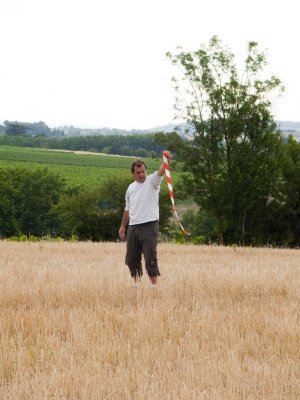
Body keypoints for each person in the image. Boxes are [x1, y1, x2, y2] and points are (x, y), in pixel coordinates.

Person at [119, 151, 172, 286]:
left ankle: (153, 286)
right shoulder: (130, 188)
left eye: (143, 171)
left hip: (149, 225)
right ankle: (136, 284)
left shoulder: (152, 181)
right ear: (133, 173)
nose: (142, 174)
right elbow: (127, 209)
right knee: (131, 259)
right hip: (133, 226)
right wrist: (122, 226)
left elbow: (161, 172)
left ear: (146, 170)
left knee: (150, 258)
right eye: (138, 172)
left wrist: (166, 160)